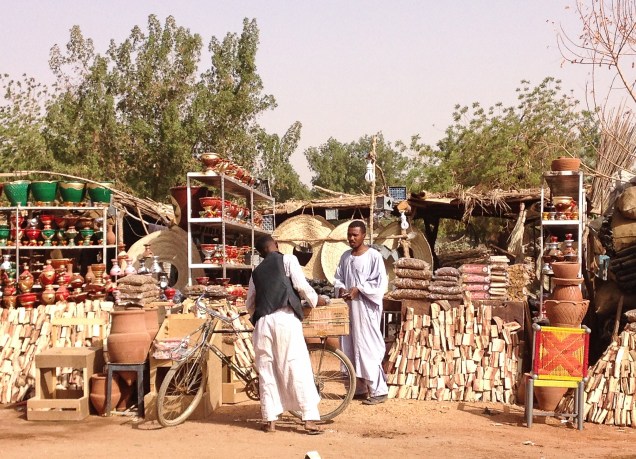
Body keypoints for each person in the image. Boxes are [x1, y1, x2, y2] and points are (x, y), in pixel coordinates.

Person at [245, 235, 327, 434]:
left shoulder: (255, 272)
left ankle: (270, 420)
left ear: (260, 252)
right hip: (285, 319)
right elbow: (301, 286)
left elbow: (249, 304)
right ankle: (309, 419)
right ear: (277, 246)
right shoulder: (288, 260)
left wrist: (263, 309)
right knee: (296, 366)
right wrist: (316, 301)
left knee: (267, 370)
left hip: (263, 323)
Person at [333, 220, 389, 405]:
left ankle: (379, 390)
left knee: (367, 347)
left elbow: (380, 283)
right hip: (349, 309)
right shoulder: (345, 257)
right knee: (349, 347)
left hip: (366, 311)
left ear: (364, 235)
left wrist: (360, 289)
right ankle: (358, 388)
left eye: (355, 235)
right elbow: (338, 278)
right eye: (349, 234)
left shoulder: (374, 256)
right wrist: (341, 289)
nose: (351, 238)